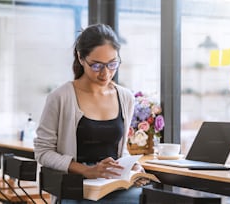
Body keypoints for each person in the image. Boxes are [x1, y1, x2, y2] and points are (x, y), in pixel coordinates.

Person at [34, 24, 148, 204]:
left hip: (113, 184)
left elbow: (120, 149)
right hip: (76, 187)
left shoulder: (125, 97)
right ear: (81, 58)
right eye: (96, 65)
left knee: (150, 197)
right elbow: (43, 152)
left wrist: (133, 166)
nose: (106, 73)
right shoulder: (60, 97)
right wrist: (87, 170)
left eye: (112, 64)